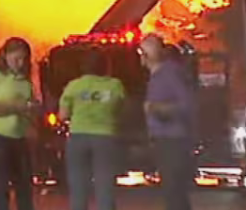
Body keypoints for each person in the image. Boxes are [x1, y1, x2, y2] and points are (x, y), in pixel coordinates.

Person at [59, 48, 124, 210]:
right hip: (105, 139)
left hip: (78, 139)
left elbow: (63, 115)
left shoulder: (73, 86)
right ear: (105, 66)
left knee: (78, 187)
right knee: (105, 186)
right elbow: (121, 109)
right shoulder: (115, 86)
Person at [0, 37, 37, 210]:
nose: (20, 63)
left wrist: (32, 110)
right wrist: (15, 107)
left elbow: (29, 102)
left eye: (24, 59)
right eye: (16, 59)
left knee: (24, 185)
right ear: (5, 56)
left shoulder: (24, 80)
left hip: (19, 137)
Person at [140, 34, 195, 210]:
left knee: (174, 193)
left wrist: (157, 109)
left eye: (141, 52)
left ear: (147, 55)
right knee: (173, 193)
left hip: (173, 141)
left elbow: (187, 104)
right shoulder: (158, 76)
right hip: (164, 140)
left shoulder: (169, 73)